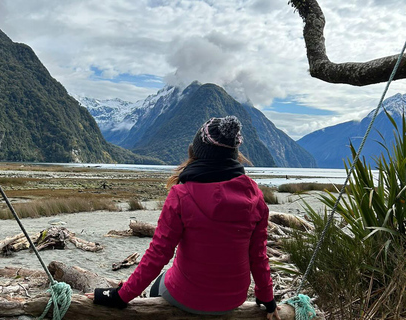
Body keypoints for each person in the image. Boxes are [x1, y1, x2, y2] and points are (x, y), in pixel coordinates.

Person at [86, 116, 281, 319]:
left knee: (158, 286)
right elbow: (258, 255)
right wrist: (267, 298)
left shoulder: (181, 195)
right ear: (233, 155)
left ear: (196, 152)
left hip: (187, 295)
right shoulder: (255, 196)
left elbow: (159, 254)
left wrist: (121, 296)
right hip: (234, 298)